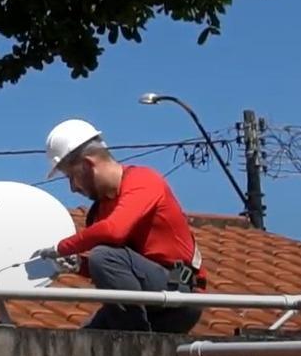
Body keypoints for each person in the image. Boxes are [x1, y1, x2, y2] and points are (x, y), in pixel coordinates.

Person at [33, 118, 205, 333]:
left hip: (180, 292)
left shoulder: (144, 181)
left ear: (88, 165)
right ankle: (133, 344)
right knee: (88, 340)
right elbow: (121, 270)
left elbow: (114, 232)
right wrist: (78, 265)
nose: (73, 188)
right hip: (151, 297)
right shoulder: (100, 211)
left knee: (104, 255)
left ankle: (136, 342)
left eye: (72, 177)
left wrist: (62, 247)